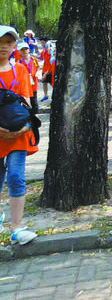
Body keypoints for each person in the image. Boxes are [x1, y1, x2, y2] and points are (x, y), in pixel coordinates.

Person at [0, 26, 38, 245]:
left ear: (14, 46)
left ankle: (16, 228)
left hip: (18, 133)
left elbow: (26, 100)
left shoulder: (21, 70)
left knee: (16, 176)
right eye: (0, 42)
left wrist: (27, 125)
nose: (3, 47)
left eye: (8, 42)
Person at [16, 41, 40, 115]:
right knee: (25, 103)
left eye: (26, 49)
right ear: (19, 51)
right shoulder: (18, 62)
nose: (24, 51)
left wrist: (37, 73)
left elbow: (37, 68)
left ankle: (35, 118)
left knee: (34, 102)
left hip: (33, 85)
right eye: (22, 50)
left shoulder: (34, 59)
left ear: (29, 50)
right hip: (24, 86)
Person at [38, 38, 51, 102]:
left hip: (50, 68)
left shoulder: (51, 50)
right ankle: (45, 95)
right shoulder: (43, 50)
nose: (42, 44)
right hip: (44, 68)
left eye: (43, 42)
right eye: (41, 42)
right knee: (44, 82)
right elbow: (41, 58)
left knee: (52, 83)